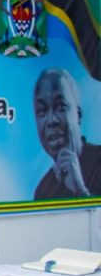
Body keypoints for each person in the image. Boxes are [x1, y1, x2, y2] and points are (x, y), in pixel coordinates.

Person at [32, 68, 101, 199]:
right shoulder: (43, 191)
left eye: (61, 107)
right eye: (42, 111)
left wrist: (80, 190)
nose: (51, 121)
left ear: (78, 115)